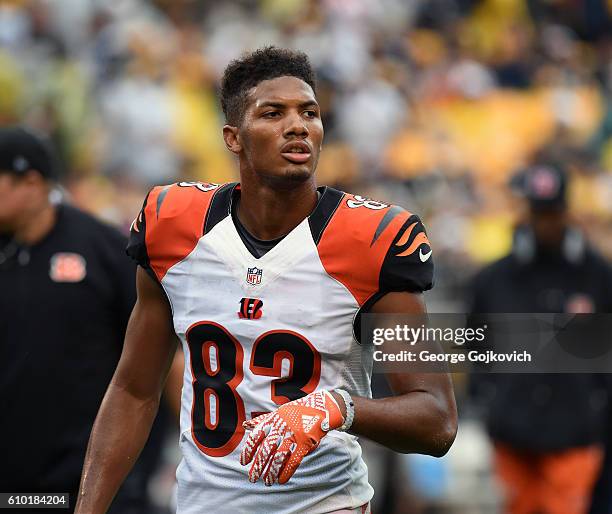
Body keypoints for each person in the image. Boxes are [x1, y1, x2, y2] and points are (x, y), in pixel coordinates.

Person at [75, 46, 458, 514]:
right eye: (273, 113)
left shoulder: (374, 239)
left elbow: (437, 420)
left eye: (310, 113)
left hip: (323, 505)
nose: (298, 126)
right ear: (234, 138)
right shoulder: (173, 225)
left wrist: (338, 407)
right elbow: (134, 389)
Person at [0, 126, 167, 513]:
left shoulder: (102, 248)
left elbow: (160, 354)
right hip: (15, 488)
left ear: (31, 182)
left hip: (95, 483)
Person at [469, 164, 612, 514]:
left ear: (566, 212)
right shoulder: (495, 279)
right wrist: (489, 401)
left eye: (552, 213)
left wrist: (598, 407)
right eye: (539, 213)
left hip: (576, 431)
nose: (546, 223)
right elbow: (476, 345)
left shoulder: (598, 276)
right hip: (512, 430)